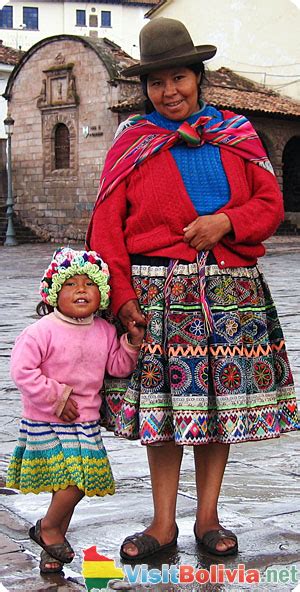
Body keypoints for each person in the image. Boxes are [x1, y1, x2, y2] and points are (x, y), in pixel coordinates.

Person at [86, 17, 299, 560]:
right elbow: (107, 224)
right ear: (145, 89)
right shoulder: (135, 142)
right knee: (165, 414)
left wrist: (226, 222)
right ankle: (162, 525)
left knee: (215, 409)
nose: (169, 91)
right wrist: (120, 294)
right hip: (157, 294)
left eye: (178, 78)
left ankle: (209, 518)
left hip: (229, 290)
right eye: (157, 83)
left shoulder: (238, 134)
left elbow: (269, 205)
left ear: (199, 77)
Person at [6, 247, 144, 573]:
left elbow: (118, 366)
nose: (81, 290)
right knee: (73, 482)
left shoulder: (104, 331)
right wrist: (57, 396)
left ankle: (51, 547)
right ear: (54, 293)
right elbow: (22, 371)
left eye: (89, 283)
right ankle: (50, 530)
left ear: (102, 293)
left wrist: (130, 343)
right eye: (70, 284)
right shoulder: (41, 332)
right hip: (47, 421)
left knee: (70, 486)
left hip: (85, 423)